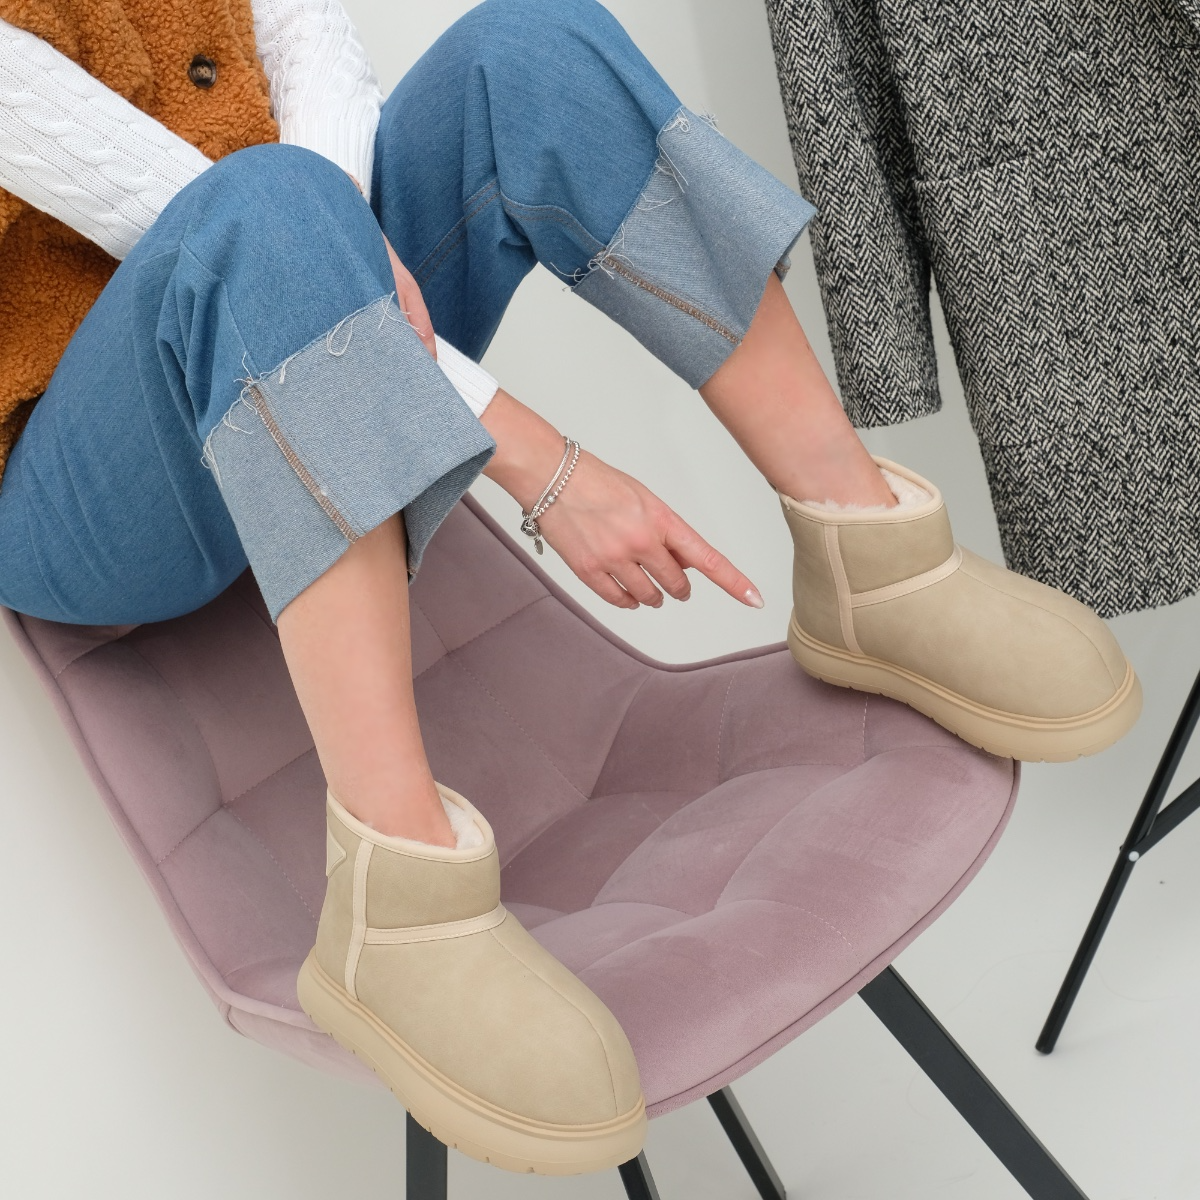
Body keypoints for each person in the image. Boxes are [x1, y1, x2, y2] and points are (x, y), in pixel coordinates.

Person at [0, 0, 1140, 1176]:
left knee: (531, 49)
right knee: (267, 207)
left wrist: (345, 253)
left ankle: (870, 560)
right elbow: (150, 200)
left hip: (296, 287)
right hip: (85, 481)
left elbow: (308, 43)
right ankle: (399, 905)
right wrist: (536, 456)